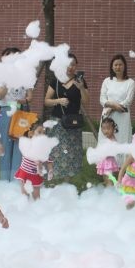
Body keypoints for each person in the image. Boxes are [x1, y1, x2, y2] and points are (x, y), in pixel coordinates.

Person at [44, 53, 88, 181]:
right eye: (68, 64)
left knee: (71, 153)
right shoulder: (56, 80)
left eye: (73, 64)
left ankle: (67, 182)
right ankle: (53, 179)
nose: (70, 67)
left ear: (76, 66)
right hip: (57, 122)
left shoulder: (80, 81)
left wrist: (81, 88)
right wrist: (58, 101)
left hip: (73, 123)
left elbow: (86, 101)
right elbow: (46, 101)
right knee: (56, 151)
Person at [0, 47, 32, 182]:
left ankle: (16, 181)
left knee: (19, 147)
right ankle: (5, 181)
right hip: (4, 110)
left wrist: (23, 100)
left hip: (21, 112)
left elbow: (30, 96)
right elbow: (0, 95)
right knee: (5, 145)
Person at [99, 54, 135, 163]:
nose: (118, 67)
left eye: (120, 64)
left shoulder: (130, 82)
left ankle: (121, 168)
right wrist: (113, 106)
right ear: (112, 66)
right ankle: (106, 167)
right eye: (115, 65)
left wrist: (113, 108)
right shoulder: (107, 81)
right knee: (106, 141)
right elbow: (102, 99)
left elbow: (128, 101)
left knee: (121, 140)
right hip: (107, 116)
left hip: (122, 116)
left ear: (124, 66)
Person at [15, 123, 50, 200]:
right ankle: (25, 206)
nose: (42, 135)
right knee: (24, 197)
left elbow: (42, 169)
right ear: (31, 133)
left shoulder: (43, 148)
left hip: (35, 175)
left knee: (37, 199)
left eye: (44, 133)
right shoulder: (27, 143)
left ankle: (36, 207)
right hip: (25, 173)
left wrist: (40, 166)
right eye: (39, 132)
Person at [95, 117, 120, 187]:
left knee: (109, 178)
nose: (106, 131)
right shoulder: (107, 139)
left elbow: (113, 151)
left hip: (109, 163)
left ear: (113, 129)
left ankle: (110, 190)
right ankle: (108, 188)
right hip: (105, 162)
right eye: (104, 128)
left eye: (108, 128)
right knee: (106, 178)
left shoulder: (113, 140)